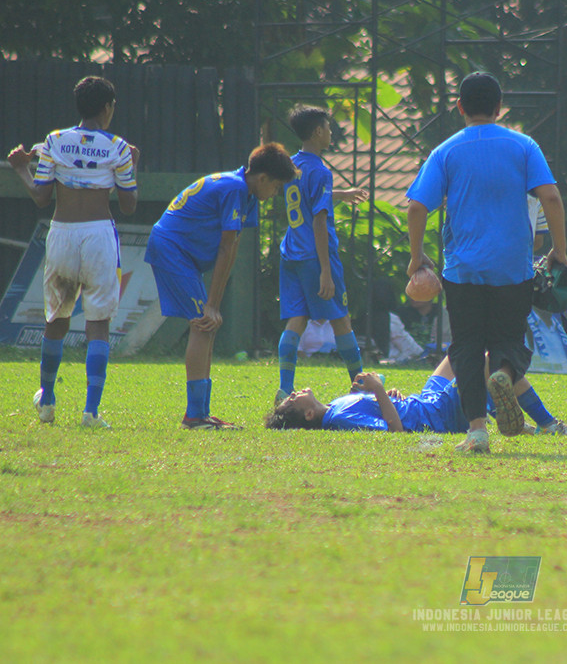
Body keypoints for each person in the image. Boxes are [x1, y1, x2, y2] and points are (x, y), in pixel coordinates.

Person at [405, 71, 567, 453]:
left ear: (460, 107)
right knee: (508, 340)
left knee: (465, 346)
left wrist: (417, 257)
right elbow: (552, 198)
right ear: (499, 108)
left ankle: (477, 431)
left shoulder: (445, 151)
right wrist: (559, 250)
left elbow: (416, 207)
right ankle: (503, 374)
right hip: (513, 267)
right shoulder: (524, 146)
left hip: (463, 269)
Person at [6, 76, 138, 429]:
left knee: (56, 319)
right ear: (107, 107)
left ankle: (47, 400)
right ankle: (91, 412)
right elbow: (128, 206)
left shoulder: (54, 141)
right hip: (98, 237)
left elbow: (41, 197)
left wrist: (21, 168)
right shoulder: (118, 146)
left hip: (62, 234)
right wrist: (132, 165)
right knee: (98, 323)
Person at [144, 143, 298, 429]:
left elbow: (232, 248)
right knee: (202, 323)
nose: (275, 194)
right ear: (263, 179)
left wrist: (214, 303)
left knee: (206, 325)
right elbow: (225, 248)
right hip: (172, 249)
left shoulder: (246, 192)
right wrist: (212, 305)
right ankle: (194, 416)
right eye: (276, 187)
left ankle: (201, 412)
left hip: (182, 254)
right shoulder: (235, 189)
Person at [275, 105, 369, 405]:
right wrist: (326, 270)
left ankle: (284, 389)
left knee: (296, 320)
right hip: (315, 257)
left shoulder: (292, 165)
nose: (331, 132)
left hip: (291, 253)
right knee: (341, 320)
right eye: (328, 127)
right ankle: (361, 388)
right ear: (318, 132)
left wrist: (341, 194)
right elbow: (318, 220)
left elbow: (305, 197)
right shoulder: (321, 170)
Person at [265, 356, 567, 438]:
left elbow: (384, 411)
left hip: (423, 400)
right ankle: (547, 424)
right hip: (438, 415)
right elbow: (395, 432)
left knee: (455, 353)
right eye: (292, 400)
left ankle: (506, 413)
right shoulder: (337, 418)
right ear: (308, 415)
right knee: (489, 358)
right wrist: (378, 389)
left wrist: (387, 396)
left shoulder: (336, 405)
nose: (294, 393)